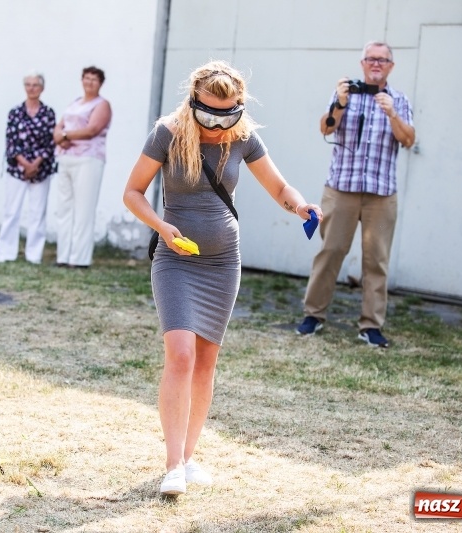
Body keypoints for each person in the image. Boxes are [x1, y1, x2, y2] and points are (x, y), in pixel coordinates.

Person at [122, 60, 322, 496]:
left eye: (226, 114)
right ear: (192, 103)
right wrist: (161, 227)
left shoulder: (242, 137)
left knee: (207, 361)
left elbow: (279, 187)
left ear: (239, 108)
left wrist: (301, 206)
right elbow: (132, 192)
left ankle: (189, 457)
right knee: (180, 355)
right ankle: (173, 465)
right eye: (208, 114)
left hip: (222, 263)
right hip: (176, 259)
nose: (216, 124)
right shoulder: (168, 134)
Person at [297, 41, 415, 348]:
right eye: (371, 59)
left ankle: (370, 326)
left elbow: (409, 139)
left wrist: (392, 115)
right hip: (341, 189)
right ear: (362, 63)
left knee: (377, 260)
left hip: (381, 193)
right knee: (331, 251)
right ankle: (313, 315)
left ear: (391, 66)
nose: (376, 64)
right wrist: (338, 102)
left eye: (383, 60)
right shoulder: (345, 94)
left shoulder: (398, 100)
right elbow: (325, 128)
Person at [52, 66, 112, 268]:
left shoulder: (102, 105)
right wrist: (60, 138)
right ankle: (63, 256)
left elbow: (92, 129)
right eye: (86, 78)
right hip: (66, 157)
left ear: (100, 83)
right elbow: (59, 127)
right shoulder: (75, 102)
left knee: (83, 209)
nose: (89, 82)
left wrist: (66, 136)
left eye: (94, 79)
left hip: (88, 159)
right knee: (64, 208)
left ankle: (79, 259)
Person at [0, 72, 58, 264]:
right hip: (17, 169)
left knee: (37, 213)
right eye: (28, 85)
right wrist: (24, 163)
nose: (31, 88)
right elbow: (11, 142)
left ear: (42, 88)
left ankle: (34, 255)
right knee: (11, 211)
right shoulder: (15, 112)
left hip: (41, 169)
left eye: (35, 85)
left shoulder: (48, 113)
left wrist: (35, 164)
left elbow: (50, 142)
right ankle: (5, 253)